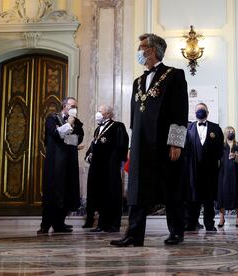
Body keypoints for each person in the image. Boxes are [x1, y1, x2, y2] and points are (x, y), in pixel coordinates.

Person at [110, 33, 188, 247]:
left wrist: (176, 142)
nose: (139, 51)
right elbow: (135, 117)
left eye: (142, 47)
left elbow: (180, 111)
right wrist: (130, 146)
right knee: (137, 188)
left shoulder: (174, 75)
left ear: (152, 50)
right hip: (140, 143)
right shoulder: (138, 81)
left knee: (171, 187)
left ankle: (176, 232)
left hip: (165, 142)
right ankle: (134, 235)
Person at [37, 97, 84, 234]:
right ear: (64, 106)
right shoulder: (52, 118)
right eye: (72, 106)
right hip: (55, 163)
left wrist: (64, 136)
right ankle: (45, 225)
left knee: (66, 193)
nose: (74, 108)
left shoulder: (78, 123)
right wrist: (68, 126)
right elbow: (54, 133)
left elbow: (78, 139)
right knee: (52, 193)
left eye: (76, 106)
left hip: (69, 163)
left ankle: (59, 223)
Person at [85, 105, 129, 233]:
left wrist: (116, 160)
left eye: (100, 111)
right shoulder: (98, 129)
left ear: (108, 114)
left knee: (113, 194)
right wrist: (91, 155)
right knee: (101, 195)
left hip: (111, 167)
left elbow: (122, 144)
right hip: (99, 169)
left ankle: (114, 225)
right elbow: (95, 145)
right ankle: (102, 224)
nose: (97, 114)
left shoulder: (118, 126)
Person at [185, 103, 223, 232]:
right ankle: (191, 223)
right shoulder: (189, 128)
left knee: (208, 199)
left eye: (202, 110)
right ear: (194, 113)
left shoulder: (215, 128)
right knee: (193, 198)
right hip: (193, 169)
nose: (200, 112)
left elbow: (220, 150)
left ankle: (209, 224)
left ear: (207, 112)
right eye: (198, 110)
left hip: (209, 170)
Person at [217, 126, 238, 227]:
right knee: (222, 194)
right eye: (229, 131)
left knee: (236, 193)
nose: (231, 132)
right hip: (222, 173)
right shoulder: (220, 146)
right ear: (225, 133)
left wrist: (237, 157)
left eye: (233, 131)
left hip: (235, 174)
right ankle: (221, 218)